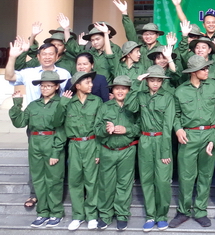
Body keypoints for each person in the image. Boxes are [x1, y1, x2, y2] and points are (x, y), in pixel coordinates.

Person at [4, 39, 71, 210]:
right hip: (35, 121)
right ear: (38, 56)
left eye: (51, 54)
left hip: (58, 120)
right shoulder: (30, 73)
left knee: (59, 157)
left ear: (57, 56)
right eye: (44, 54)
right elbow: (9, 76)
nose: (47, 57)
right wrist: (12, 57)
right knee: (36, 161)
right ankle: (35, 194)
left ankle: (58, 195)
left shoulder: (64, 73)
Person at [168, 56, 215, 229]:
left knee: (206, 176)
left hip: (209, 135)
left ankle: (200, 211)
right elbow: (175, 115)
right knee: (186, 176)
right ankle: (183, 211)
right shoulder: (180, 91)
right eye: (203, 69)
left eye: (207, 68)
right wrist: (178, 129)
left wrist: (214, 137)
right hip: (188, 136)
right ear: (193, 72)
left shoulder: (214, 86)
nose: (207, 71)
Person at [9, 71, 66, 228]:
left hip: (52, 142)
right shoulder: (34, 105)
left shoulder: (61, 104)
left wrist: (56, 152)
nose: (45, 88)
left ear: (56, 87)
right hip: (35, 143)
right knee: (38, 179)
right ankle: (42, 212)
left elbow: (61, 130)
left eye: (48, 85)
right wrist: (17, 104)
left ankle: (56, 213)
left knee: (54, 179)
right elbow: (20, 123)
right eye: (42, 85)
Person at [125, 65, 175, 232]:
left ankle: (162, 216)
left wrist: (166, 151)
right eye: (152, 80)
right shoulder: (140, 95)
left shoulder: (168, 97)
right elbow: (130, 107)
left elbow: (168, 126)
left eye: (158, 80)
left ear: (162, 82)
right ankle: (150, 216)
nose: (155, 83)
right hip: (145, 139)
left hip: (161, 139)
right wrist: (135, 83)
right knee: (146, 180)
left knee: (162, 181)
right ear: (147, 81)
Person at [54, 71, 103, 231]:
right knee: (75, 181)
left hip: (91, 143)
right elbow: (56, 122)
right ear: (77, 85)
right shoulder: (67, 102)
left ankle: (91, 215)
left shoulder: (97, 101)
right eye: (87, 82)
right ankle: (78, 216)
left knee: (92, 182)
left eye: (91, 82)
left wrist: (98, 152)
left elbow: (100, 127)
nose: (91, 85)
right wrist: (62, 103)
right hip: (74, 145)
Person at [94, 75, 140, 231]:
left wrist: (127, 129)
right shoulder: (105, 107)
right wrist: (105, 129)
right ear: (112, 91)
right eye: (117, 88)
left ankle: (122, 215)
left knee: (124, 184)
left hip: (127, 150)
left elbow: (140, 127)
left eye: (124, 89)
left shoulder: (134, 108)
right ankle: (105, 215)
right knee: (106, 184)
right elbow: (96, 129)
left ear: (129, 91)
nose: (120, 91)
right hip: (108, 151)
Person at [114, 0, 164, 70]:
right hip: (139, 76)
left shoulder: (162, 49)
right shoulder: (138, 46)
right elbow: (130, 32)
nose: (148, 36)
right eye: (145, 34)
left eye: (151, 34)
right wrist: (124, 13)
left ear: (157, 35)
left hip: (155, 76)